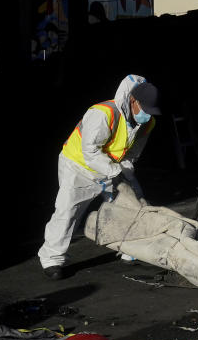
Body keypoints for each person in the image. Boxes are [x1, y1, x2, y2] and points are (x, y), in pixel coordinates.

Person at [38, 74, 162, 279]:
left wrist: (125, 175)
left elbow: (132, 154)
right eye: (146, 111)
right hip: (79, 167)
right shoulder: (103, 113)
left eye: (152, 112)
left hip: (113, 167)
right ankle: (52, 258)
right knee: (68, 210)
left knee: (134, 204)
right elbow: (91, 152)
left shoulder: (148, 123)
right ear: (133, 101)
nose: (148, 116)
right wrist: (114, 172)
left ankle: (130, 248)